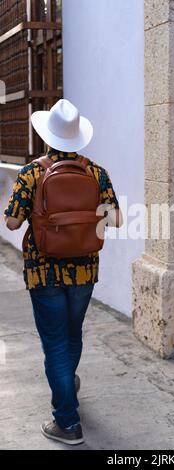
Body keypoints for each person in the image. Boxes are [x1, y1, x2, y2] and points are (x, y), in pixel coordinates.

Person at [4, 99, 123, 445]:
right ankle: (67, 384)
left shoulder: (32, 173)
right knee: (72, 335)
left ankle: (67, 422)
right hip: (85, 271)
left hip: (44, 272)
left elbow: (12, 223)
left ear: (48, 136)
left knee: (54, 343)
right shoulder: (96, 172)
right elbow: (115, 219)